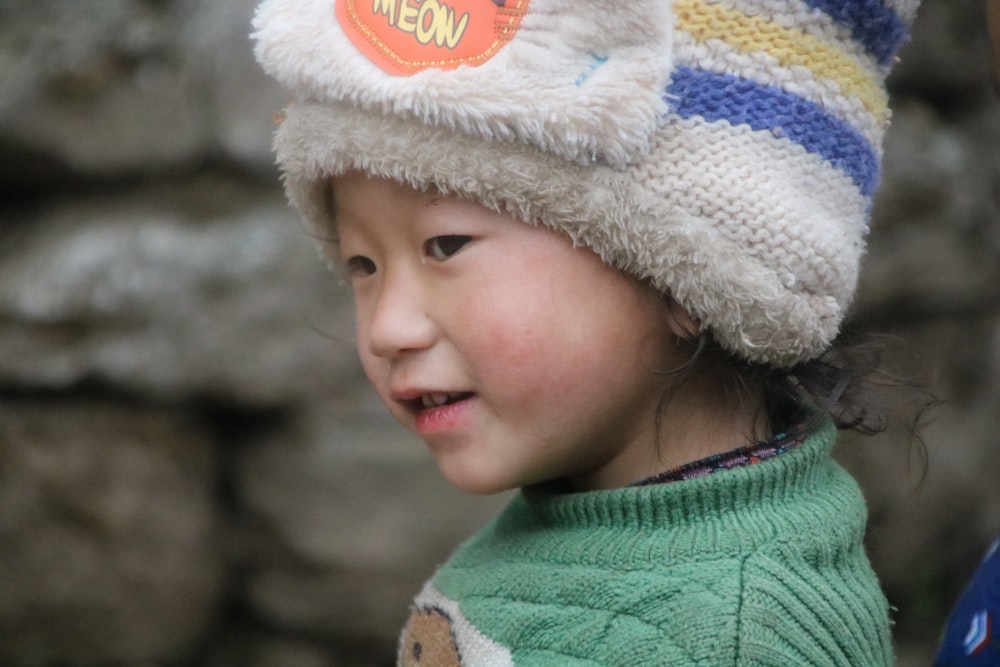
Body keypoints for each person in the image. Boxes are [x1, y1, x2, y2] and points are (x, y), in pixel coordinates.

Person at [252, 0, 922, 664]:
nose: (389, 328)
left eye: (446, 245)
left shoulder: (732, 635)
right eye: (361, 264)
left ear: (683, 275)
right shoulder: (577, 523)